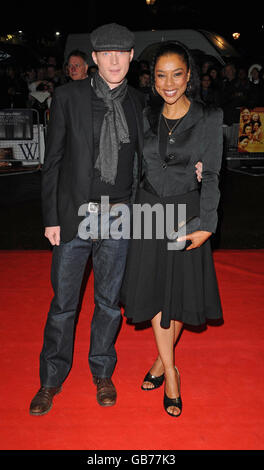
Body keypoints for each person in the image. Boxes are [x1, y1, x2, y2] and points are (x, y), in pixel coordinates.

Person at [29, 23, 145, 416]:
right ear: (94, 58)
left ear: (131, 57)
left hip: (120, 217)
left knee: (109, 303)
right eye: (106, 53)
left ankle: (102, 372)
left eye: (122, 52)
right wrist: (51, 217)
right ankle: (50, 380)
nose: (114, 60)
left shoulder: (139, 103)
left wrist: (194, 165)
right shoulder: (68, 97)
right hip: (74, 216)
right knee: (64, 303)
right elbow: (54, 162)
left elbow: (151, 160)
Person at [121, 41, 223, 418]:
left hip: (186, 213)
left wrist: (207, 225)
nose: (168, 83)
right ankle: (172, 372)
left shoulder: (209, 117)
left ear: (189, 76)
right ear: (152, 79)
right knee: (154, 293)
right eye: (160, 75)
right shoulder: (145, 116)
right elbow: (136, 169)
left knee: (177, 295)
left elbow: (211, 174)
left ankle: (163, 363)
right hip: (148, 213)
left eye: (176, 74)